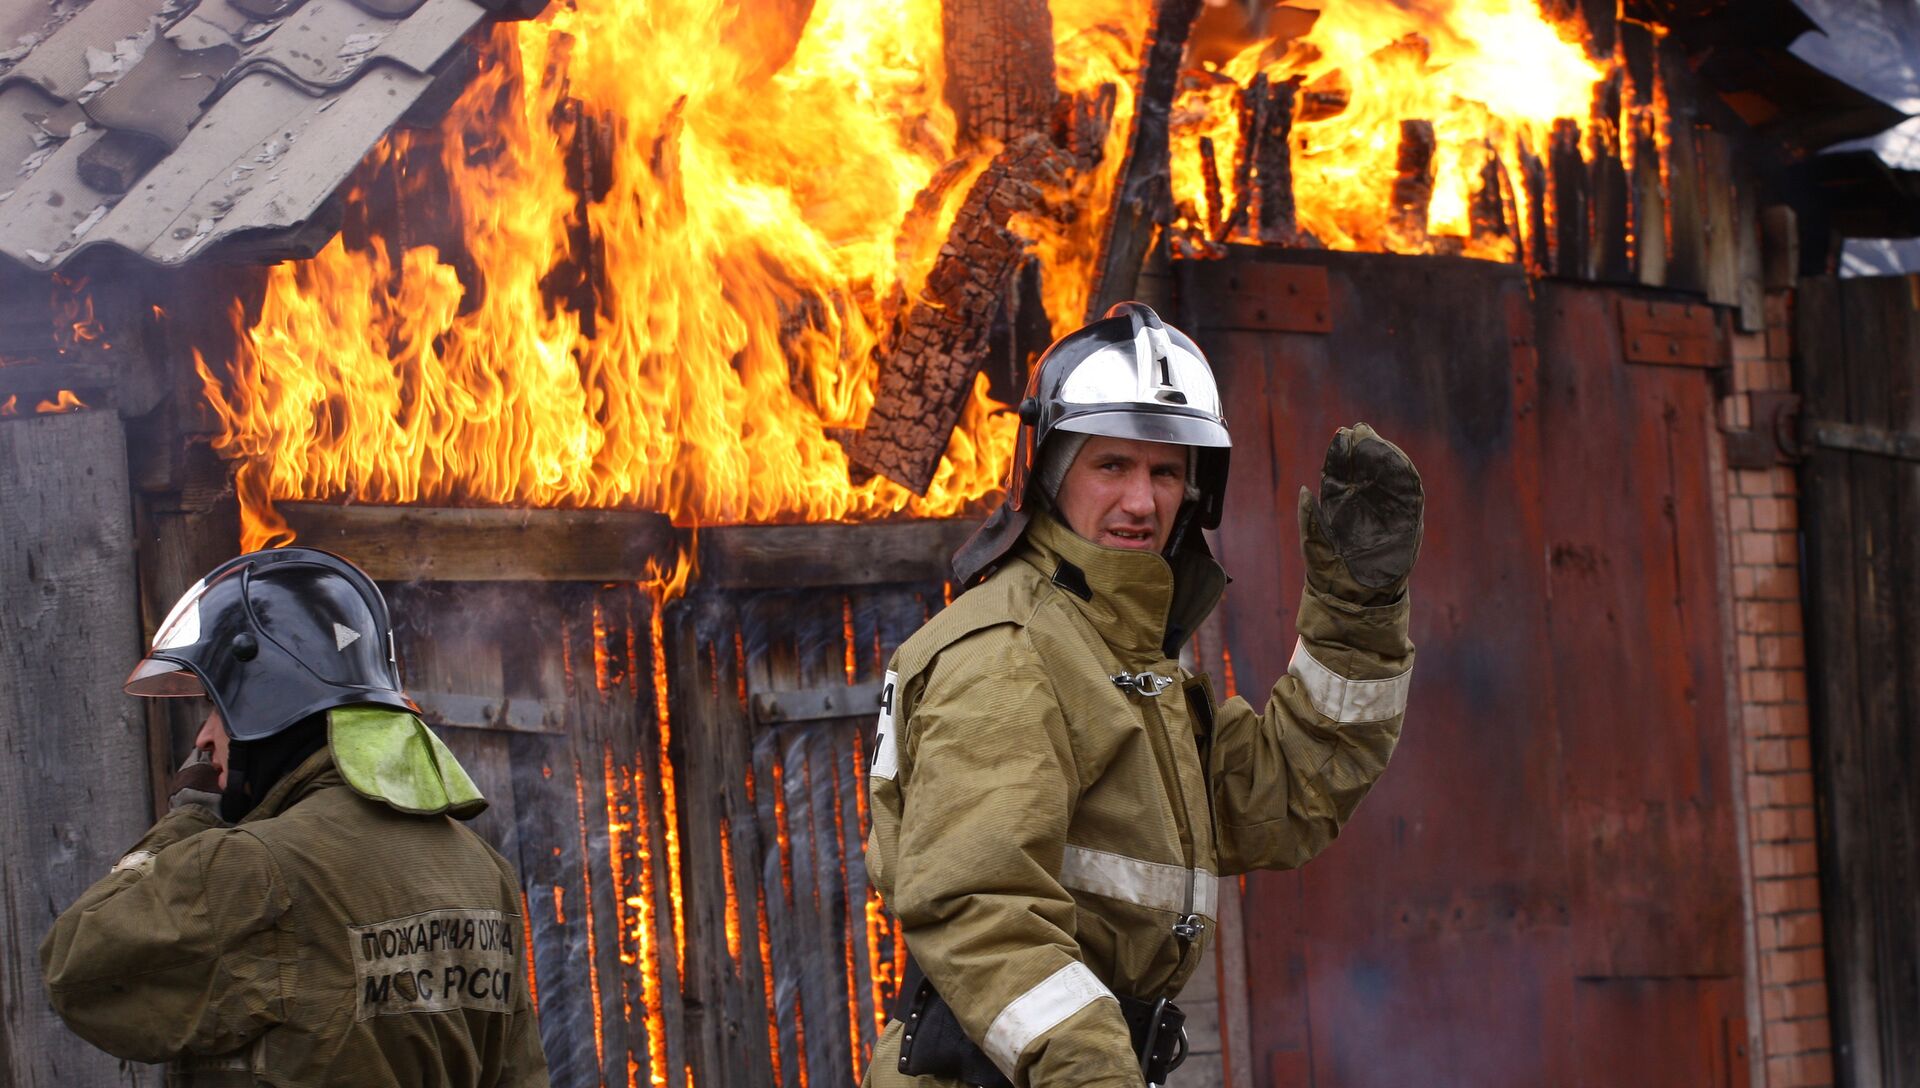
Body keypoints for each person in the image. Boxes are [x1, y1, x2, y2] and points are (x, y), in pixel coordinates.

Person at [861, 302, 1422, 1088]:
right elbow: (981, 909)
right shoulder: (1012, 652)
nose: (1142, 501)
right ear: (1051, 473)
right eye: (1111, 466)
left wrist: (1357, 613)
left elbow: (1282, 797)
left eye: (1165, 472)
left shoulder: (1121, 650)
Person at [40, 547, 551, 1087]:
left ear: (266, 704)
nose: (203, 737)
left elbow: (75, 967)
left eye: (216, 707)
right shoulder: (483, 870)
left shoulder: (256, 865)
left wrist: (192, 819)